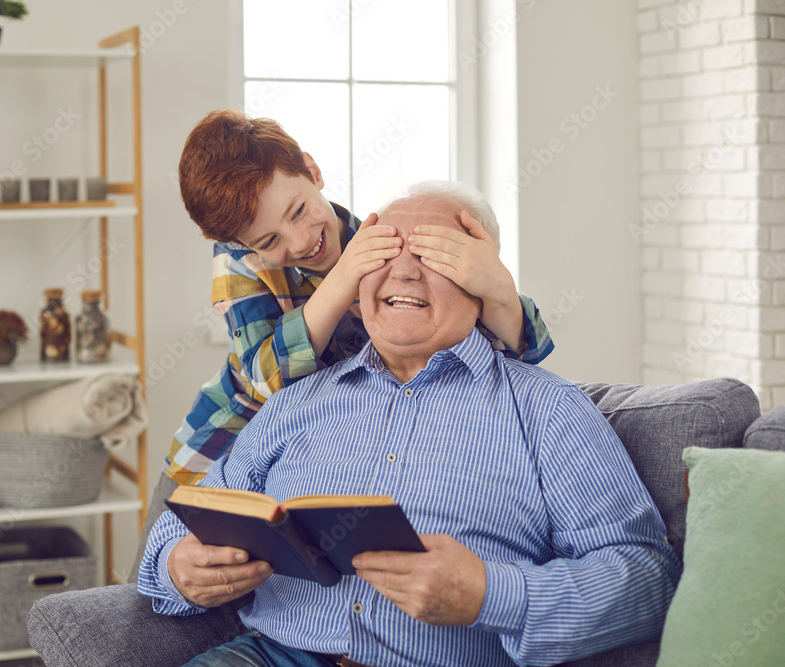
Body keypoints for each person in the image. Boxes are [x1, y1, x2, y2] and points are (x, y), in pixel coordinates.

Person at [138, 181, 681, 667]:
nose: (402, 269)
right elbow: (187, 521)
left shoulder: (549, 411)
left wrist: (491, 593)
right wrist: (177, 566)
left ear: (483, 278)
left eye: (433, 252)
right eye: (384, 251)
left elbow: (648, 578)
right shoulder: (292, 403)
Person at [130, 110, 555, 580]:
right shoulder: (240, 263)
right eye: (269, 239)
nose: (300, 240)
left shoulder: (379, 238)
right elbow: (266, 376)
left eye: (298, 211)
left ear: (313, 172)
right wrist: (342, 281)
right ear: (242, 243)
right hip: (214, 452)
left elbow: (525, 350)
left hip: (307, 462)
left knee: (281, 588)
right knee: (154, 590)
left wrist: (495, 287)